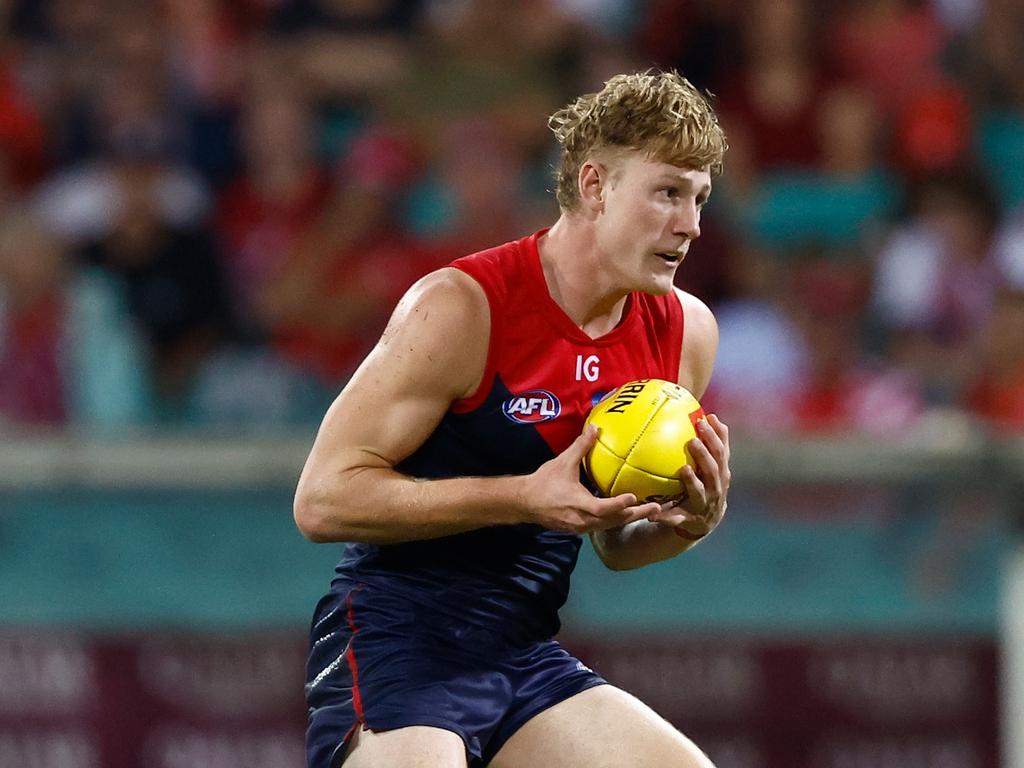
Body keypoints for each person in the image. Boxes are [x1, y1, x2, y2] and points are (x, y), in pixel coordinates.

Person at [294, 70, 731, 768]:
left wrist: (685, 526)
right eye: (668, 193)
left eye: (699, 197)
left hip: (522, 655)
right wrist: (519, 497)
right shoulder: (462, 307)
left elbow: (614, 544)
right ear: (595, 186)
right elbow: (320, 500)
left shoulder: (683, 332)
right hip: (396, 640)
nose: (691, 223)